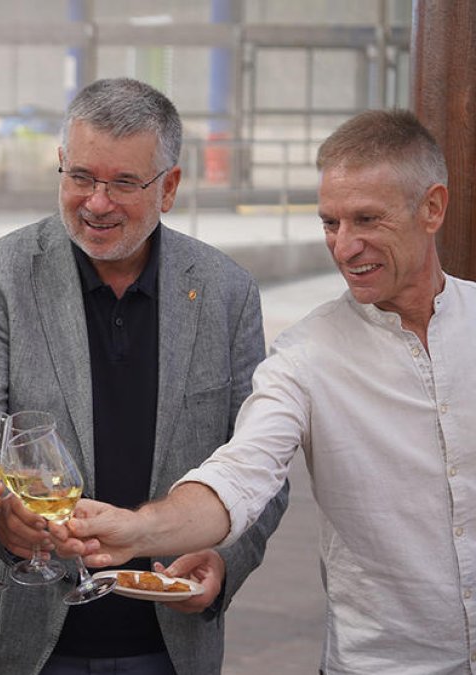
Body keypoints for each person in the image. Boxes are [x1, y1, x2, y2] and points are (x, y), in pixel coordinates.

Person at [68, 109, 475, 673]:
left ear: (432, 208)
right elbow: (241, 472)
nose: (345, 246)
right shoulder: (306, 354)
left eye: (367, 220)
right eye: (330, 223)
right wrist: (140, 529)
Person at [0, 78, 288, 675]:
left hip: (166, 637)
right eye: (81, 177)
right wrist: (4, 518)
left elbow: (262, 463)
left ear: (169, 188)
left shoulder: (227, 292)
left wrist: (223, 558)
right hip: (16, 633)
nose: (96, 202)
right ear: (60, 165)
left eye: (122, 183)